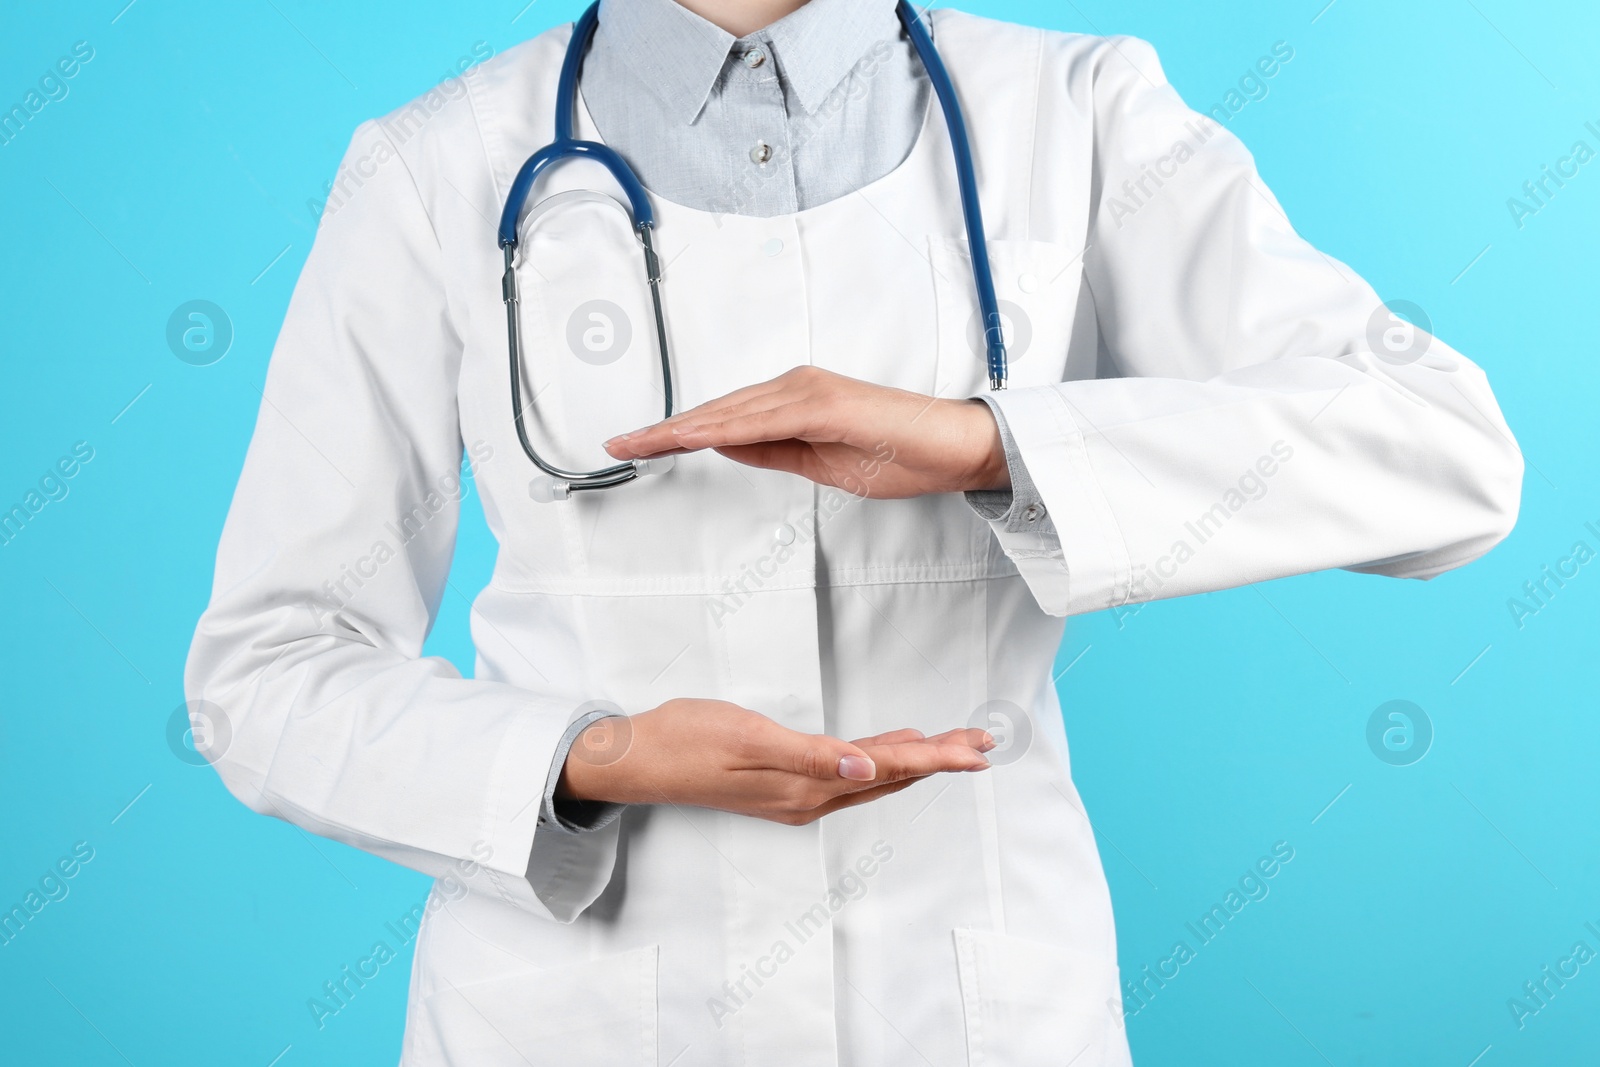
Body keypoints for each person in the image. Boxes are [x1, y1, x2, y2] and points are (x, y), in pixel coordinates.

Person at [184, 0, 1523, 1062]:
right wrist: (591, 759)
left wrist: (989, 444)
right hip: (572, 1015)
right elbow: (268, 669)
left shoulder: (1082, 117)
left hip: (976, 1008)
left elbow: (1444, 453)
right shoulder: (436, 171)